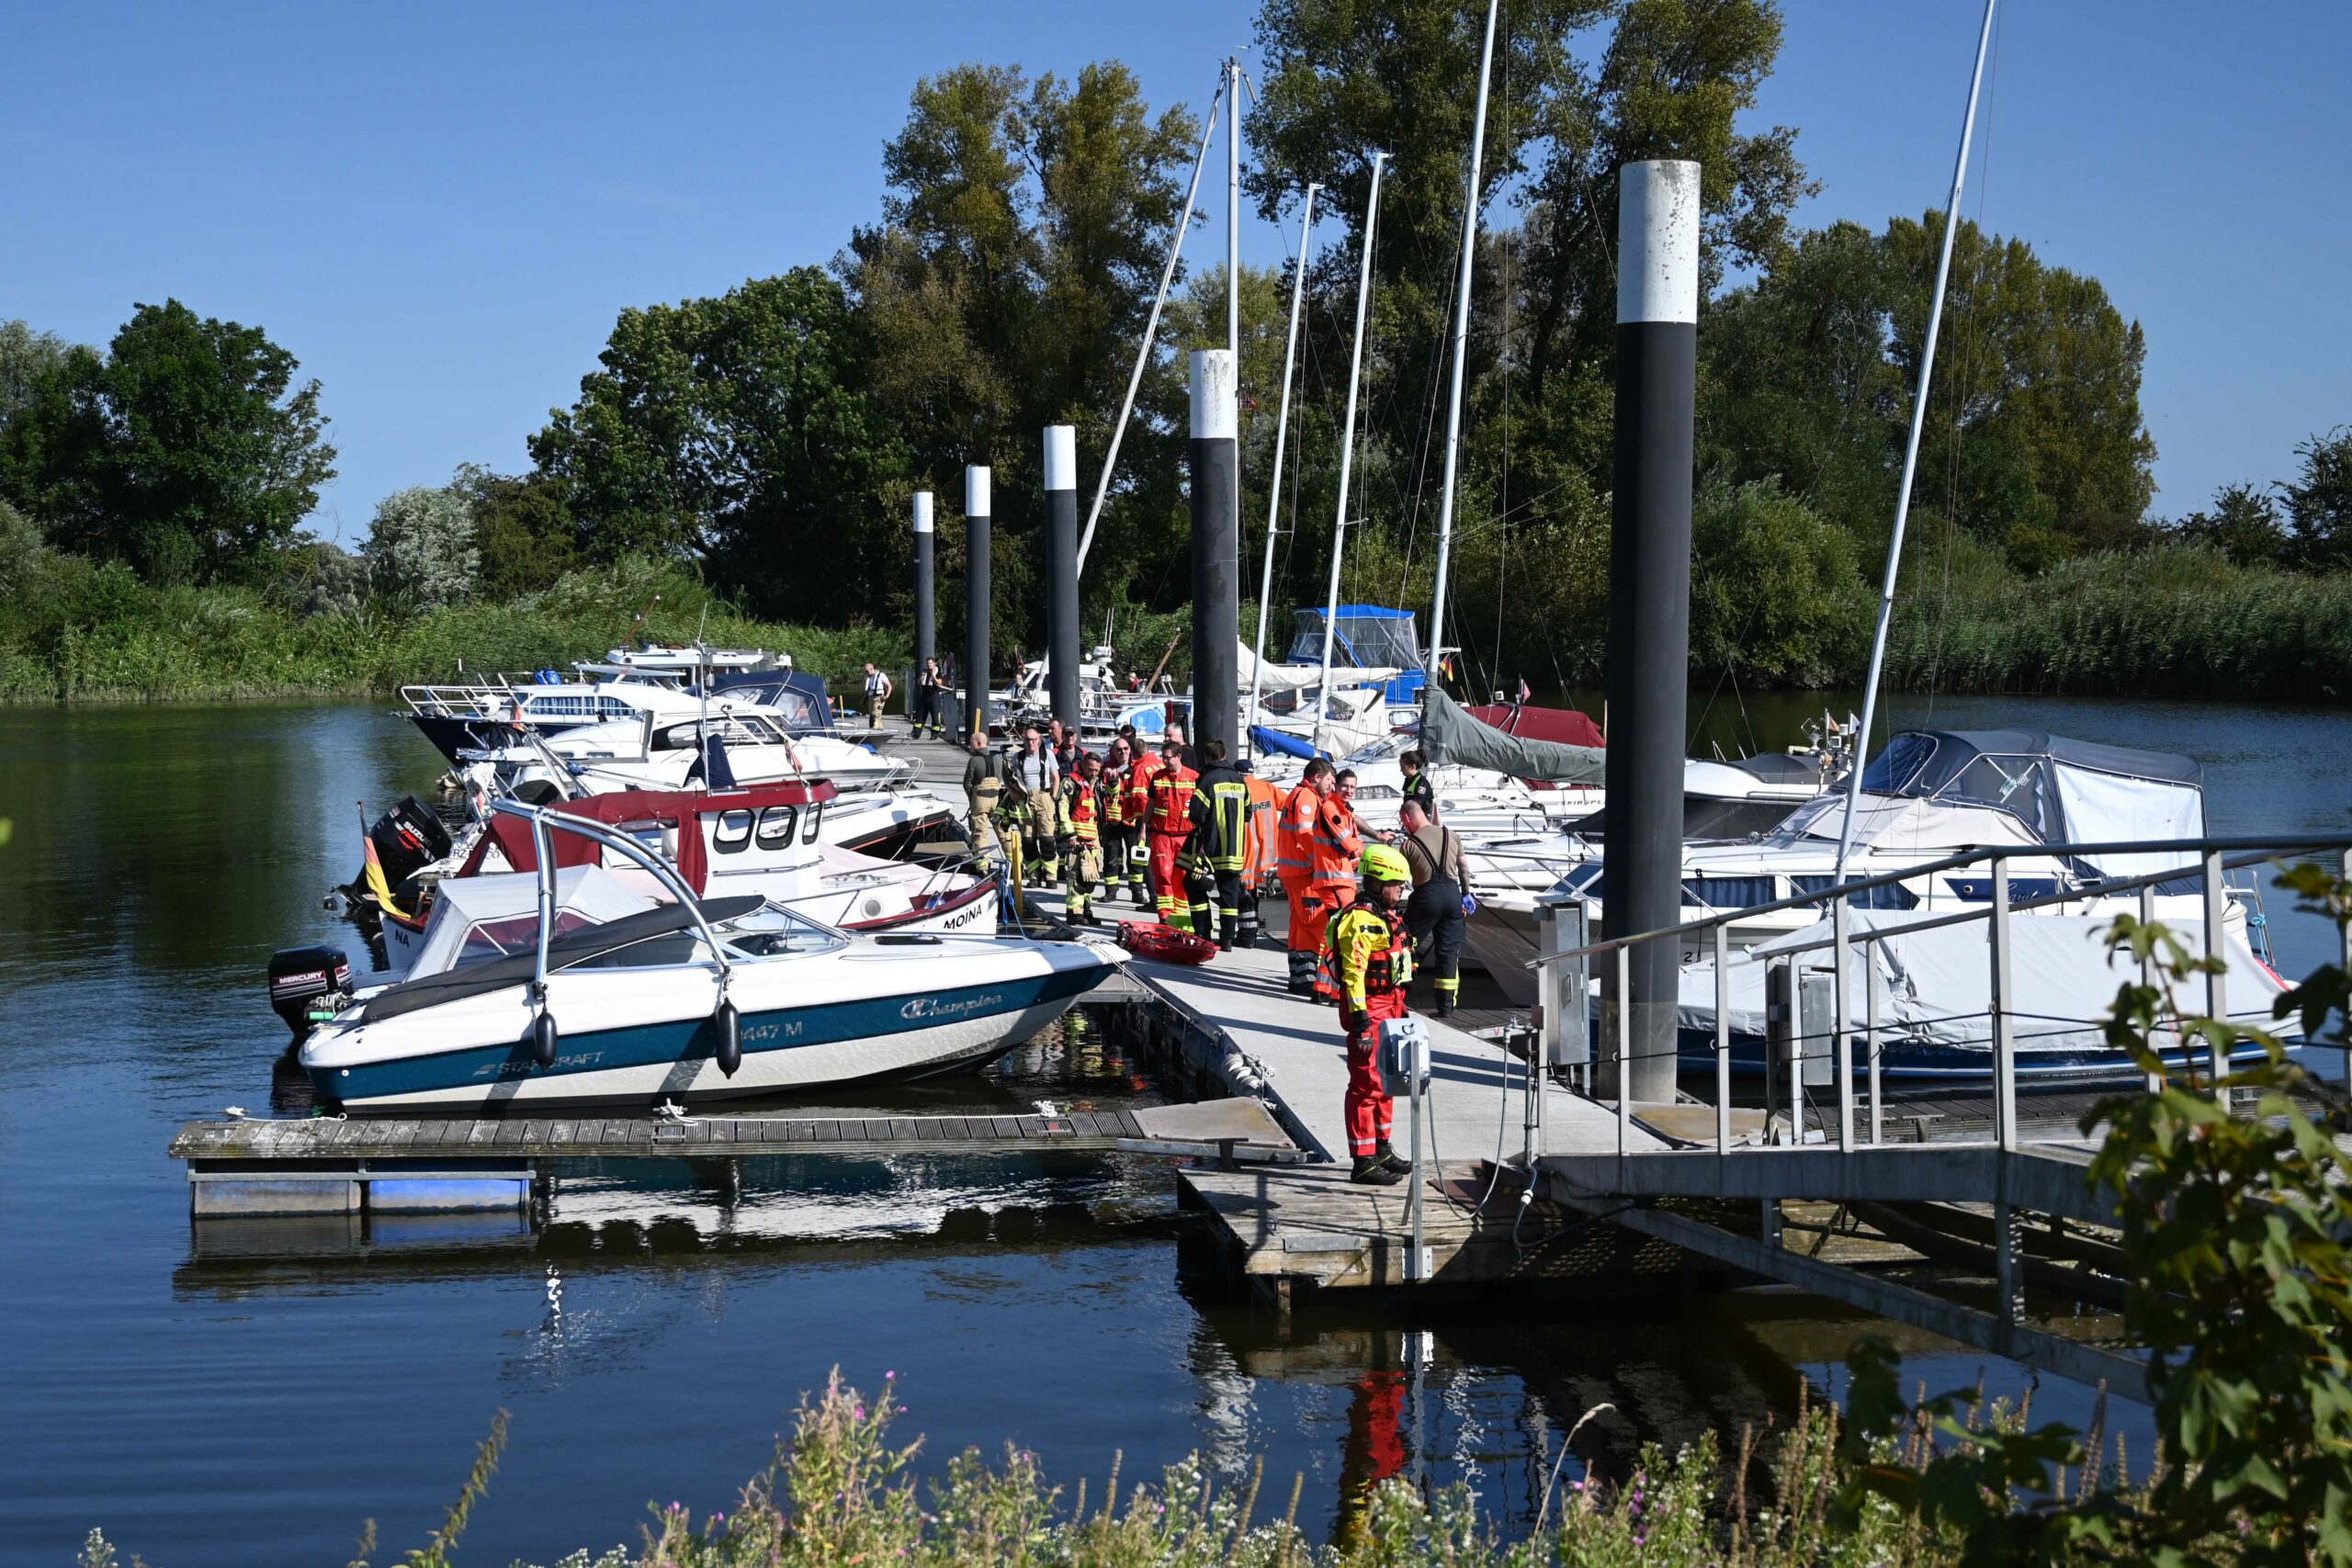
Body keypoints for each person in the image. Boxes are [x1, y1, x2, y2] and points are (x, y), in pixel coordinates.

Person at [1325, 843, 1416, 1184]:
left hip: (1390, 1006)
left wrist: (1402, 1009)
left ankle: (1381, 1147)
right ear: (1377, 881)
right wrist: (1362, 1024)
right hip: (1371, 1010)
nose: (1401, 890)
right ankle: (1362, 1161)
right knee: (1366, 1085)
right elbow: (1353, 975)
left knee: (1387, 1082)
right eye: (1397, 884)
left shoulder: (1385, 917)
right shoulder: (1360, 921)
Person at [1396, 799, 1465, 1017]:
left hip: (1426, 897)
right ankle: (1445, 1008)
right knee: (1447, 952)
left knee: (1404, 945)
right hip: (1453, 896)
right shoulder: (1451, 835)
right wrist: (1466, 895)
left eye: (1403, 822)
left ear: (1407, 818)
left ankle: (1397, 995)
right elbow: (1463, 866)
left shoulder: (1408, 845)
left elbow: (1398, 878)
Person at [1186, 739, 1257, 950]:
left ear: (1207, 758)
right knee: (1229, 893)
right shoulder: (1238, 779)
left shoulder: (1208, 780)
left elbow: (1196, 814)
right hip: (1235, 850)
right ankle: (1227, 939)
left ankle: (1202, 931)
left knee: (1193, 884)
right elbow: (1248, 813)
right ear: (1225, 756)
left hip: (1211, 848)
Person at [1275, 759, 1336, 994]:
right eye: (1329, 780)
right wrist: (1321, 859)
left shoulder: (1298, 795)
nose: (1331, 785)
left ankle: (1300, 977)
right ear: (1317, 777)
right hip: (1303, 871)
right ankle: (1307, 978)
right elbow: (1304, 832)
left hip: (1294, 870)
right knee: (1313, 924)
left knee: (1300, 925)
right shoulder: (1307, 797)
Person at [1302, 761, 1363, 988]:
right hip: (1333, 881)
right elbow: (1350, 845)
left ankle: (1327, 988)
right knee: (1339, 936)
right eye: (1345, 786)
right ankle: (1329, 988)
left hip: (1341, 881)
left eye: (1353, 787)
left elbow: (1354, 849)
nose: (1348, 790)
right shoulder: (1330, 809)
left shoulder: (1344, 812)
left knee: (1338, 935)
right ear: (1336, 786)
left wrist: (1356, 846)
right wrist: (1357, 845)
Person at [1142, 736, 1201, 930]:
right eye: (1163, 757)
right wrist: (1143, 828)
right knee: (1162, 875)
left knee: (1183, 877)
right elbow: (1150, 804)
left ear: (1178, 756)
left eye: (1168, 757)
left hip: (1185, 836)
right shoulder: (1157, 778)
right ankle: (1165, 916)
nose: (1165, 761)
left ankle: (1180, 918)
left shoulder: (1194, 778)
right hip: (1161, 835)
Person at [1057, 751, 1106, 925]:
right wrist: (1070, 833)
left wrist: (1114, 783)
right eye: (1090, 769)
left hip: (1093, 838)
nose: (1093, 773)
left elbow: (1107, 801)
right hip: (1077, 838)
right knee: (1076, 875)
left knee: (1090, 876)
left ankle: (1086, 910)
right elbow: (1062, 808)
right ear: (1083, 766)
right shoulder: (1071, 782)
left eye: (1096, 770)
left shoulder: (1098, 783)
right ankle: (1073, 912)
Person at [1010, 725, 1061, 886]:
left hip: (1044, 797)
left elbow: (1056, 777)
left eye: (1033, 739)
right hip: (1025, 800)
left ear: (1039, 740)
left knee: (1047, 839)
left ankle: (1051, 875)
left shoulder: (1048, 755)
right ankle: (1034, 874)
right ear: (1023, 740)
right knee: (1028, 840)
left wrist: (1054, 795)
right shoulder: (1017, 757)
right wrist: (1015, 798)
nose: (1031, 743)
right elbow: (1011, 781)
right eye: (1027, 739)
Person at [1097, 734, 1141, 907]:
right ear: (1113, 752)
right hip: (1113, 819)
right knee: (1111, 857)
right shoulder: (1106, 768)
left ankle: (1137, 892)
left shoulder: (1136, 767)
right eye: (1119, 749)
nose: (1122, 752)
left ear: (1130, 750)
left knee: (1135, 858)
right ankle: (1111, 891)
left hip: (1132, 820)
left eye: (1125, 749)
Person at [960, 728, 1010, 873]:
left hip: (980, 799)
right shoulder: (998, 758)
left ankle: (983, 866)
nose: (969, 745)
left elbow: (967, 783)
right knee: (1002, 831)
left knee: (980, 833)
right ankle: (1015, 863)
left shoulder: (974, 760)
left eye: (971, 743)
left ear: (979, 743)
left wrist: (972, 798)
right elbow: (1002, 778)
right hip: (997, 799)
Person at [913, 658, 945, 739]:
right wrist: (922, 677)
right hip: (924, 696)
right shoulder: (924, 671)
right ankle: (916, 733)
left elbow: (939, 683)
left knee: (935, 717)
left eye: (930, 663)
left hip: (933, 696)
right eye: (927, 663)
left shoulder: (938, 672)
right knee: (920, 716)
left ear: (934, 663)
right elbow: (918, 683)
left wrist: (933, 676)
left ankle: (934, 734)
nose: (929, 665)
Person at [1398, 749, 1436, 818]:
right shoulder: (1408, 780)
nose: (1401, 770)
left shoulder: (1422, 783)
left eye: (1403, 767)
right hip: (1411, 819)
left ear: (1413, 767)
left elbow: (1417, 804)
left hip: (1422, 820)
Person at [861, 662, 894, 731]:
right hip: (871, 698)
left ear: (871, 669)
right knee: (872, 715)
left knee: (876, 715)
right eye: (865, 672)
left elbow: (889, 686)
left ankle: (874, 729)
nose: (866, 673)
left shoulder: (881, 675)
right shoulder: (870, 678)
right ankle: (879, 728)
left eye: (867, 671)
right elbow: (868, 690)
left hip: (878, 698)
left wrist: (887, 696)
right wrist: (863, 700)